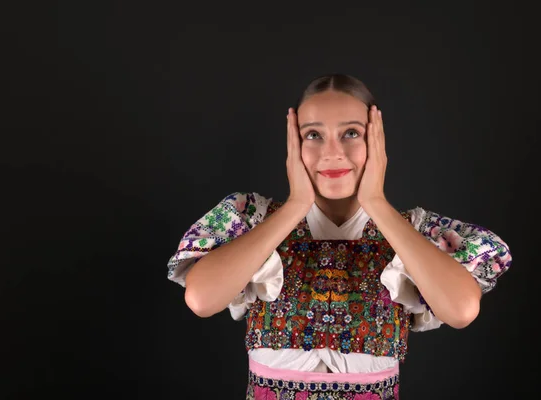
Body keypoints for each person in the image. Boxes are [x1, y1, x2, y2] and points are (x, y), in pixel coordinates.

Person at [166, 74, 512, 399]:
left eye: (351, 133)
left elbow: (461, 310)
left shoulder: (413, 232)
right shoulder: (252, 218)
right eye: (313, 135)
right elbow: (202, 300)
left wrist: (376, 203)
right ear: (294, 143)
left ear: (376, 141)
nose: (332, 152)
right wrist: (295, 205)